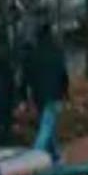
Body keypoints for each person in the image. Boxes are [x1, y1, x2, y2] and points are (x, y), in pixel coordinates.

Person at [23, 24, 70, 161]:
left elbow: (28, 76)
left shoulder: (34, 54)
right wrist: (65, 92)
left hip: (38, 95)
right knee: (47, 127)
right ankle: (34, 158)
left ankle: (55, 157)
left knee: (47, 124)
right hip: (54, 93)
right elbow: (63, 74)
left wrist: (25, 95)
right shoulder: (56, 51)